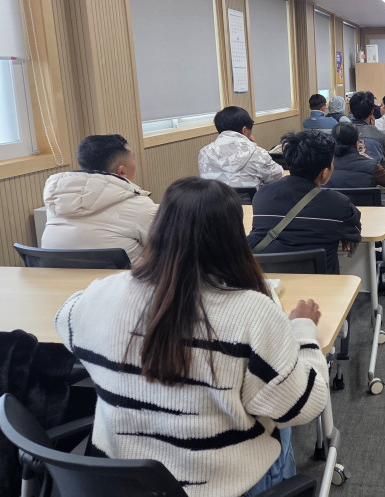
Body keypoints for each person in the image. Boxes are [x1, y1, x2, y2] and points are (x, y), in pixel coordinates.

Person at [54, 177, 329, 496]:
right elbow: (304, 405)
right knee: (276, 415)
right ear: (233, 237)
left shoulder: (101, 293)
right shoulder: (253, 311)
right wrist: (303, 331)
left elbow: (64, 320)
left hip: (121, 481)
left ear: (158, 228)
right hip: (219, 485)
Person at [248, 131, 361, 273]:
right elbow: (355, 232)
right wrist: (343, 234)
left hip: (269, 280)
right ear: (324, 173)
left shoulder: (262, 195)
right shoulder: (338, 203)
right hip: (321, 282)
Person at [41, 134, 157, 266]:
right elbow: (168, 251)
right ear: (122, 171)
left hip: (58, 279)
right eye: (133, 160)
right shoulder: (140, 206)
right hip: (122, 279)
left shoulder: (58, 203)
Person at [198, 106, 284, 189]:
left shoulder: (204, 153)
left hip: (215, 199)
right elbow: (277, 176)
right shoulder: (257, 153)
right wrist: (250, 145)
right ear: (244, 130)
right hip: (250, 200)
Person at [326, 123, 385, 189]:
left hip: (331, 202)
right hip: (361, 202)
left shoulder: (324, 164)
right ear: (357, 143)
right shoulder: (371, 166)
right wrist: (371, 161)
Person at [349, 92, 385, 164]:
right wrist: (373, 129)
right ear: (372, 112)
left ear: (350, 111)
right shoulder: (380, 135)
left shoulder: (340, 133)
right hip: (373, 170)